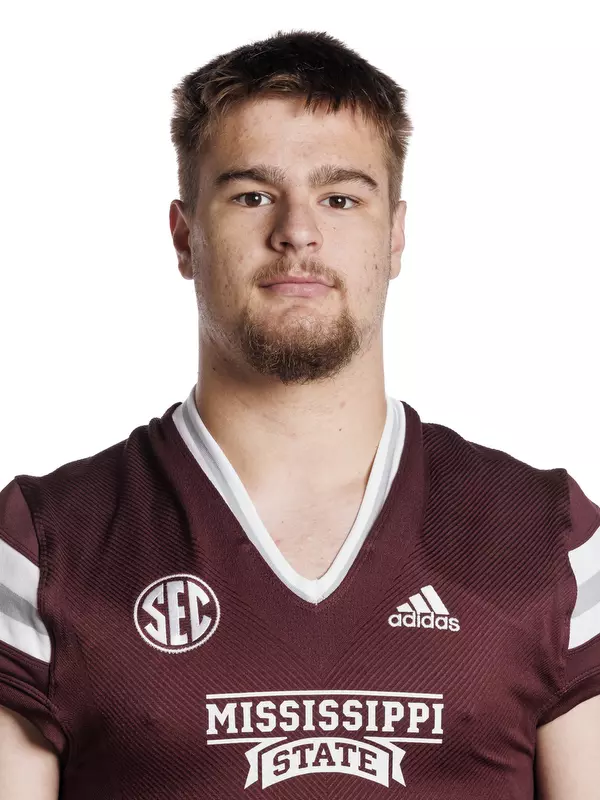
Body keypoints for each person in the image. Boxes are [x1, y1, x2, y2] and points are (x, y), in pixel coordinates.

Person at [0, 28, 598, 799]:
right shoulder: (47, 547)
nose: (298, 233)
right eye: (252, 195)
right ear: (185, 237)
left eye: (340, 197)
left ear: (396, 235)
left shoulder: (542, 537)